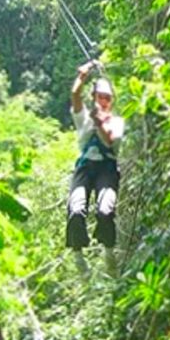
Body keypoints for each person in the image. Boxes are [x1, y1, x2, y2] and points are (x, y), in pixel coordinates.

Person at [66, 59, 125, 277]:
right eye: (100, 97)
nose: (103, 101)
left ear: (111, 102)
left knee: (105, 210)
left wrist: (99, 122)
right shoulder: (84, 118)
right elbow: (74, 96)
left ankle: (109, 253)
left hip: (106, 169)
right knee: (76, 209)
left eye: (107, 99)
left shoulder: (116, 122)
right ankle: (78, 256)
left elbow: (110, 141)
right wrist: (83, 75)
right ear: (94, 98)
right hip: (84, 168)